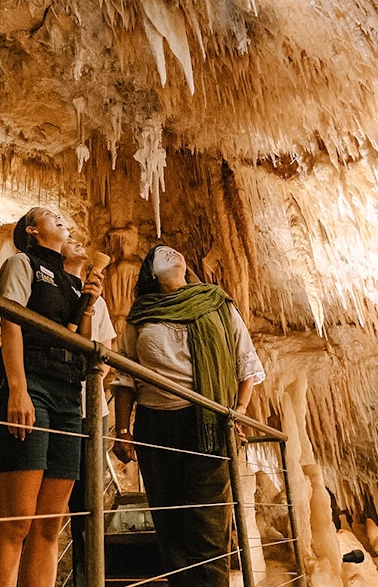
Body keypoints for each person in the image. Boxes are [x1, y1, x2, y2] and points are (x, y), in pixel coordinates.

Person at [111, 245, 265, 587]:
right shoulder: (141, 314)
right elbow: (126, 376)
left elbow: (246, 361)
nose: (174, 254)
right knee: (170, 526)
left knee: (207, 526)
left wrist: (237, 412)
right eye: (162, 254)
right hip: (155, 426)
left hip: (207, 425)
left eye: (177, 252)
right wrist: (123, 429)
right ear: (150, 272)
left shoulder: (216, 303)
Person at [0, 208, 102, 587]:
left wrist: (89, 303)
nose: (63, 219)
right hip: (31, 384)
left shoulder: (70, 279)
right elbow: (11, 321)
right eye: (52, 216)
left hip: (67, 394)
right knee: (17, 519)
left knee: (50, 524)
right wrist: (17, 387)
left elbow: (80, 341)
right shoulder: (23, 262)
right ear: (32, 230)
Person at [60, 238, 116, 587]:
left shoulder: (102, 302)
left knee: (88, 505)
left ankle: (86, 576)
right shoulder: (49, 291)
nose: (76, 239)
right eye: (68, 237)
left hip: (90, 409)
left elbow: (105, 357)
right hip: (60, 405)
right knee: (54, 503)